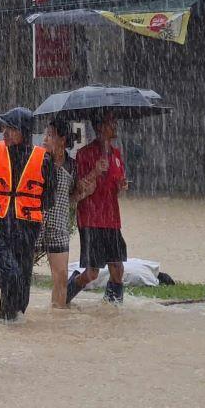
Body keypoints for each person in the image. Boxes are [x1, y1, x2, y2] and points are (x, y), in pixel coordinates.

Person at [0, 107, 48, 322]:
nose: (5, 132)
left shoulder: (42, 160)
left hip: (27, 227)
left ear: (24, 132)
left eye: (10, 129)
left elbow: (48, 196)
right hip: (0, 223)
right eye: (4, 128)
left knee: (22, 278)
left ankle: (10, 319)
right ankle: (7, 317)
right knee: (10, 273)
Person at [65, 112, 130, 305]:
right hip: (90, 219)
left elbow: (115, 190)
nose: (115, 125)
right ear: (100, 126)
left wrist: (121, 187)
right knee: (92, 273)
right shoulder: (84, 154)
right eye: (112, 122)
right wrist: (95, 171)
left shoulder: (116, 155)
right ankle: (64, 297)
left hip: (111, 219)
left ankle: (112, 309)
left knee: (117, 269)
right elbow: (77, 190)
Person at [41, 117, 85, 309]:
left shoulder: (73, 167)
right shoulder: (39, 161)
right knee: (22, 274)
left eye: (50, 135)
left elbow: (73, 198)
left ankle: (57, 312)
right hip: (35, 223)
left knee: (61, 276)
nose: (44, 139)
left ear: (62, 140)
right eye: (45, 134)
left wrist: (83, 191)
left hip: (59, 226)